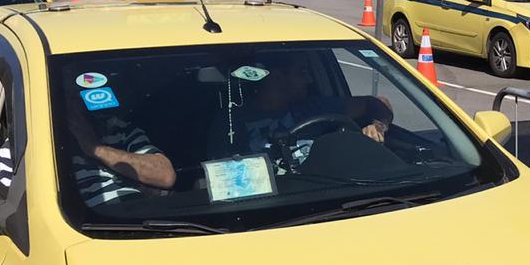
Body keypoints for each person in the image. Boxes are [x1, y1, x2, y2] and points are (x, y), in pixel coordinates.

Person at [214, 56, 393, 160]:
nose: (309, 80)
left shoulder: (314, 107)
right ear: (277, 78)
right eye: (302, 73)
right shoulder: (231, 122)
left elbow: (377, 103)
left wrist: (378, 126)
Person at [66, 100, 176, 208]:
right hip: (85, 222)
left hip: (141, 215)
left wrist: (96, 149)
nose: (69, 102)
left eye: (74, 94)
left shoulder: (115, 126)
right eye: (65, 96)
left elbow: (165, 175)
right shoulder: (50, 145)